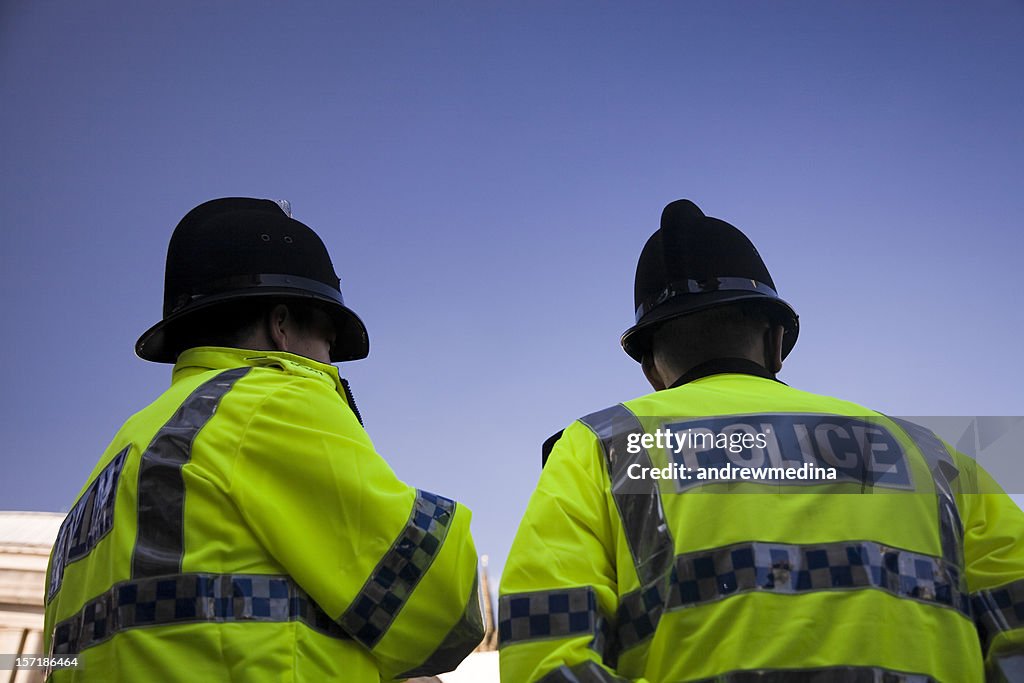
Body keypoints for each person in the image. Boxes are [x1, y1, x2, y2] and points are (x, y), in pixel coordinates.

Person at [499, 199, 1024, 682]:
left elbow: (544, 649)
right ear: (776, 343)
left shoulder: (600, 446)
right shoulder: (933, 454)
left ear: (652, 369)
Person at [43, 198, 483, 681]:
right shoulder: (267, 401)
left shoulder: (116, 465)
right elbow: (440, 607)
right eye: (329, 343)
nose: (331, 364)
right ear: (282, 326)